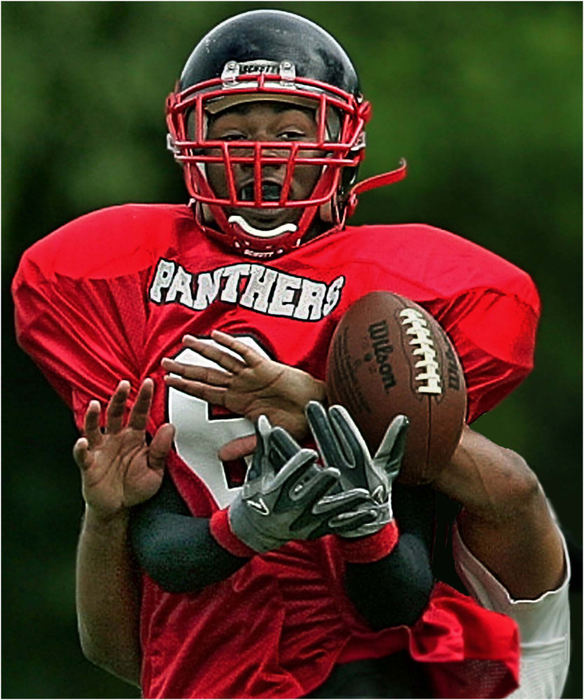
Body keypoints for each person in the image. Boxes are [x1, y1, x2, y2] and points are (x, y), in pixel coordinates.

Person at [12, 8, 570, 699]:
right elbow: (119, 643)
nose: (260, 156)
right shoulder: (117, 276)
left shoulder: (407, 284)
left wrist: (320, 405)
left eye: (287, 131)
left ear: (341, 137)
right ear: (188, 138)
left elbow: (497, 502)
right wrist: (124, 518)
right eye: (236, 131)